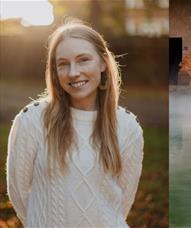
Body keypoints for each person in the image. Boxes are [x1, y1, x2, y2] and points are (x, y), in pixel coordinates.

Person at [6, 19, 144, 227]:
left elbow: (121, 203)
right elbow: (18, 194)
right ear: (55, 71)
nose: (73, 72)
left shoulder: (127, 126)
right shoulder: (31, 121)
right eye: (63, 64)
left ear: (103, 62)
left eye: (83, 60)